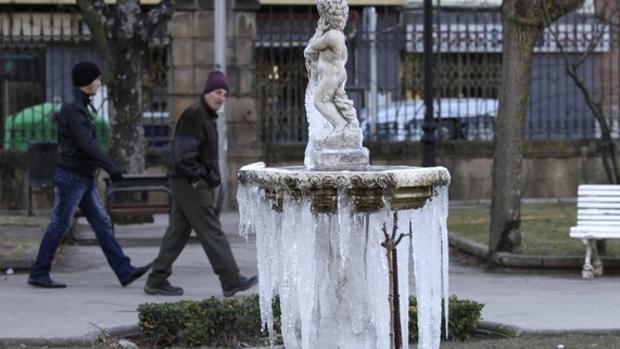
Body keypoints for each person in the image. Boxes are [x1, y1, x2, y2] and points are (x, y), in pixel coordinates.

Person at [27, 61, 151, 288]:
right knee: (60, 225)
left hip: (82, 177)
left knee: (102, 223)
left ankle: (124, 270)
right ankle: (39, 272)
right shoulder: (74, 108)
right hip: (72, 177)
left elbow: (87, 144)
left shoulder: (81, 106)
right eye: (96, 79)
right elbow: (87, 144)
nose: (99, 82)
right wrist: (112, 167)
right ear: (86, 81)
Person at [144, 70, 257, 297]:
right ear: (206, 92)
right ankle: (231, 279)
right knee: (212, 230)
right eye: (217, 92)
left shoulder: (205, 116)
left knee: (177, 232)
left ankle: (157, 278)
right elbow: (184, 154)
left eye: (225, 93)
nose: (221, 97)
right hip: (190, 182)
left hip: (185, 180)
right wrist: (200, 176)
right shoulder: (196, 115)